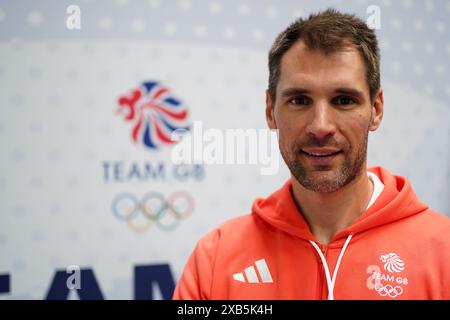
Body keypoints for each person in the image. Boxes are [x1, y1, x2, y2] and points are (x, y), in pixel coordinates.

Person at [172, 9, 450, 300]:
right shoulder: (216, 258)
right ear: (270, 111)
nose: (320, 126)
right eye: (300, 100)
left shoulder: (443, 250)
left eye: (343, 100)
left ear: (376, 110)